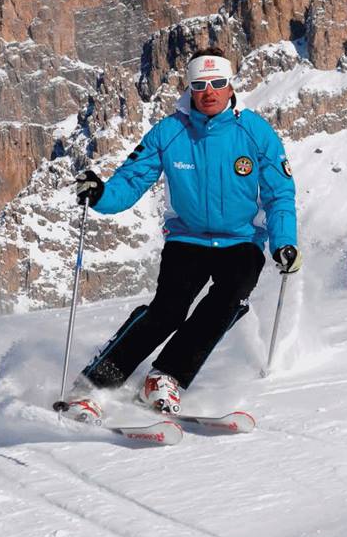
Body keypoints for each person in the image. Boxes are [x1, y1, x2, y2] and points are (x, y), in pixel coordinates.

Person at [62, 47, 299, 422]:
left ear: (230, 85)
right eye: (200, 85)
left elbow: (279, 193)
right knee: (168, 311)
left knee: (229, 299)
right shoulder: (170, 132)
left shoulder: (254, 132)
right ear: (189, 87)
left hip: (241, 240)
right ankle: (93, 386)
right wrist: (101, 194)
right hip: (187, 238)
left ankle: (165, 378)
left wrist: (284, 242)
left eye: (217, 83)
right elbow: (132, 179)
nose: (209, 92)